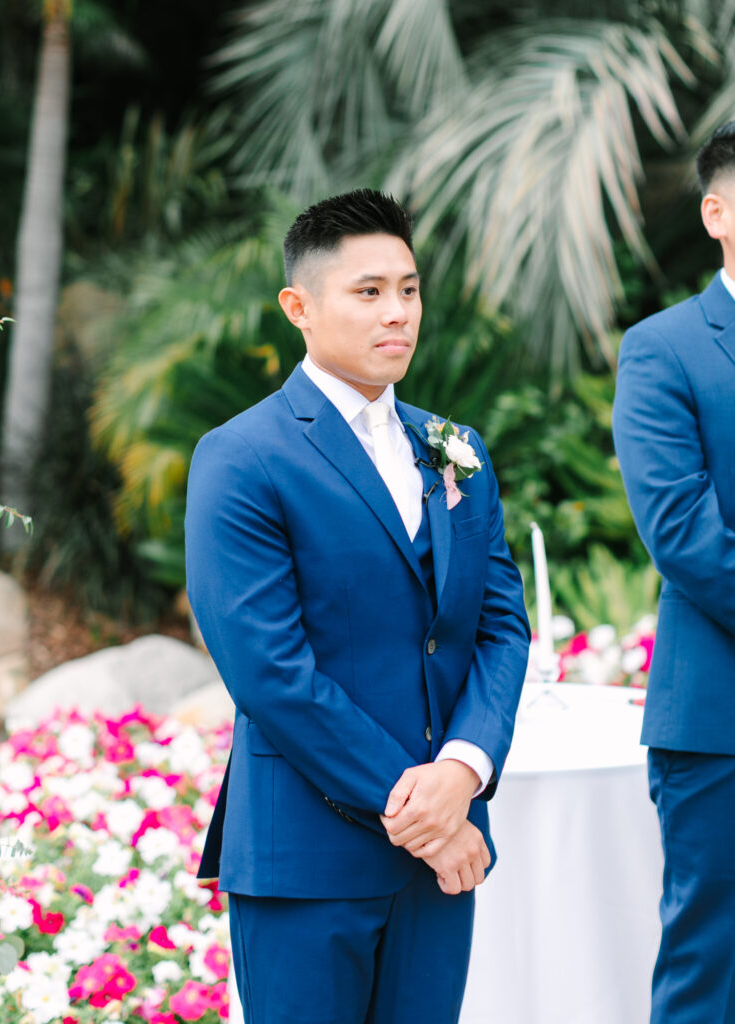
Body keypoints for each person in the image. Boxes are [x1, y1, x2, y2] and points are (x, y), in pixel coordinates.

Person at [185, 189, 530, 1024]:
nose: (397, 312)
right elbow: (269, 671)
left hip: (437, 860)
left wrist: (462, 771)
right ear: (298, 308)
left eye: (408, 290)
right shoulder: (241, 456)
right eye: (368, 291)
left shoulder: (455, 448)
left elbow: (499, 627)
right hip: (309, 854)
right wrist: (425, 813)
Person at [613, 125, 735, 1024]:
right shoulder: (665, 348)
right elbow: (684, 536)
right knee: (712, 966)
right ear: (717, 213)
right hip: (721, 718)